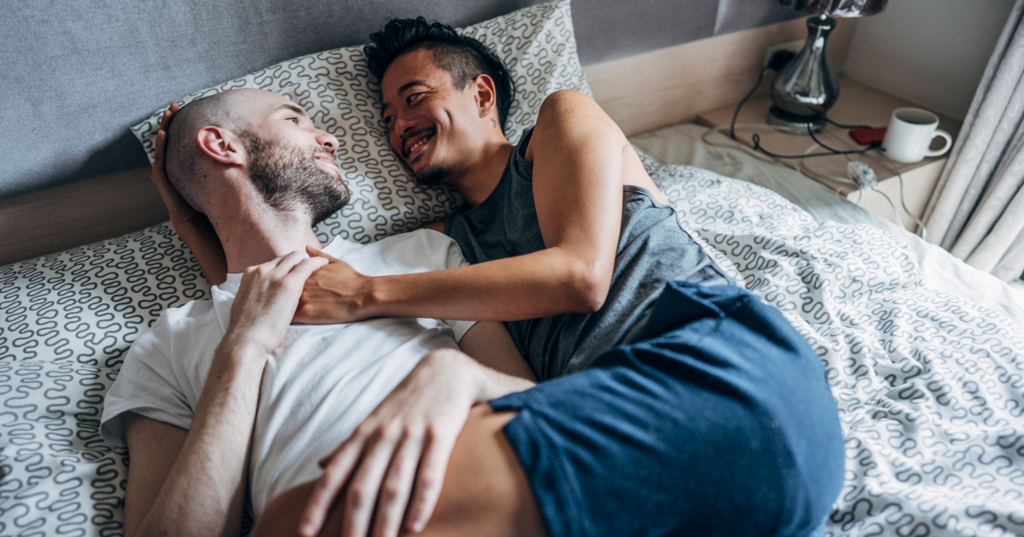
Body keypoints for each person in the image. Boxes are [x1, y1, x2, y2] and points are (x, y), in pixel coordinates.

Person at [284, 17, 846, 537]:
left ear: (481, 94)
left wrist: (367, 294)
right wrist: (197, 207)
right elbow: (294, 267)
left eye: (413, 99)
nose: (399, 126)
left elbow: (580, 276)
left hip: (721, 370)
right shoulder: (442, 242)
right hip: (616, 424)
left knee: (313, 518)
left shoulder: (559, 123)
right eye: (386, 120)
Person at [100, 89, 545, 537]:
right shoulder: (167, 346)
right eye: (295, 120)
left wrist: (458, 374)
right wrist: (243, 346)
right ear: (221, 145)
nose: (330, 138)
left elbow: (540, 405)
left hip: (520, 479)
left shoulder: (421, 255)